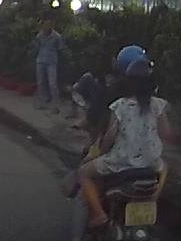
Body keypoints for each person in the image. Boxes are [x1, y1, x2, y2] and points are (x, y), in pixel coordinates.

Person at [74, 58, 172, 235]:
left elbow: (110, 137)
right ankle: (152, 201)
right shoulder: (159, 105)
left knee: (83, 173)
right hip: (150, 163)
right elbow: (166, 134)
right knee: (164, 167)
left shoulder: (120, 105)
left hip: (121, 161)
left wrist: (98, 153)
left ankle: (98, 214)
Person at [29, 16, 67, 111]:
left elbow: (61, 49)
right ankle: (42, 102)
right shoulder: (40, 35)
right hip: (40, 60)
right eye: (45, 24)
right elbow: (36, 47)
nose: (46, 26)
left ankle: (55, 105)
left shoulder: (57, 36)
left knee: (52, 84)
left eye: (49, 24)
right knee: (40, 83)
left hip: (51, 62)